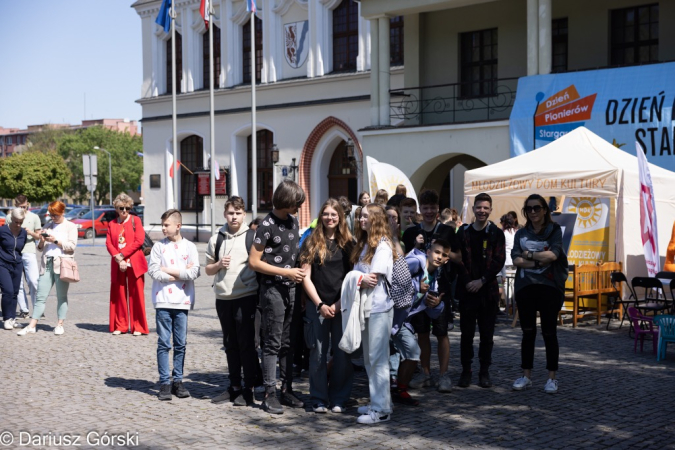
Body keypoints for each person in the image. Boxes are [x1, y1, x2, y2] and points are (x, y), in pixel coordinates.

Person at [249, 180, 307, 414]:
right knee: (272, 344)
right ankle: (269, 393)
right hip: (272, 290)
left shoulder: (293, 221)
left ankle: (287, 389)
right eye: (297, 203)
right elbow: (254, 262)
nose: (299, 207)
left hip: (291, 289)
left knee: (287, 343)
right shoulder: (266, 225)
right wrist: (286, 272)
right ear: (286, 201)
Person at [300, 198, 354, 414]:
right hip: (318, 305)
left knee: (343, 354)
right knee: (318, 353)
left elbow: (353, 278)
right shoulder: (311, 241)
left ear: (340, 217)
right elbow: (305, 277)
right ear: (320, 216)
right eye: (326, 214)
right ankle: (319, 398)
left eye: (334, 214)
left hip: (343, 305)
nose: (330, 218)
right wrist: (320, 304)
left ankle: (339, 398)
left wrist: (338, 304)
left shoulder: (349, 243)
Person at [402, 190, 459, 393]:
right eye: (425, 208)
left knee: (442, 333)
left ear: (437, 209)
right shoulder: (410, 232)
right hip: (418, 292)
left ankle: (444, 376)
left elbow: (459, 258)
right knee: (422, 333)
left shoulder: (447, 231)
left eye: (432, 208)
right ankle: (425, 374)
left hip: (440, 289)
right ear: (420, 209)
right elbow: (404, 263)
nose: (428, 211)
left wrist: (441, 251)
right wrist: (416, 246)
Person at [511, 194, 568, 394]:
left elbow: (554, 254)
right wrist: (538, 261)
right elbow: (516, 260)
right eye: (529, 209)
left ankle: (552, 377)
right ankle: (526, 375)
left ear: (545, 210)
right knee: (528, 333)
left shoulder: (554, 231)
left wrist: (528, 254)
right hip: (526, 287)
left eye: (537, 208)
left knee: (549, 332)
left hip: (549, 287)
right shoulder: (521, 233)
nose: (533, 212)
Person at [206, 196, 259, 406]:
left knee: (247, 345)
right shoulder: (216, 238)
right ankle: (234, 386)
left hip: (246, 297)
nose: (234, 216)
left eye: (238, 213)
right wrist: (219, 264)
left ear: (244, 214)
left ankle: (249, 388)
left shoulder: (252, 237)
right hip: (223, 298)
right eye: (230, 212)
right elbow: (208, 270)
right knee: (230, 344)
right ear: (225, 214)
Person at [148, 209, 200, 401]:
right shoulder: (158, 248)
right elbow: (153, 271)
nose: (163, 228)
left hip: (182, 302)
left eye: (166, 225)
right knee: (163, 343)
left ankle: (178, 380)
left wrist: (168, 271)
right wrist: (176, 274)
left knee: (181, 344)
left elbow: (194, 272)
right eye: (162, 225)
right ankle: (164, 382)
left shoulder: (190, 247)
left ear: (178, 226)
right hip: (162, 301)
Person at [392, 240, 452, 406]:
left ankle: (400, 390)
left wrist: (436, 303)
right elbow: (393, 278)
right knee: (354, 351)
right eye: (437, 252)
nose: (439, 257)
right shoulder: (415, 262)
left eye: (444, 255)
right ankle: (329, 373)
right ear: (428, 251)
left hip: (400, 322)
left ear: (447, 260)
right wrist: (416, 286)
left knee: (413, 352)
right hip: (385, 314)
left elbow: (429, 311)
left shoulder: (434, 279)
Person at [455, 193, 506, 388]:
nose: (482, 211)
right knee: (466, 335)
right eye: (479, 207)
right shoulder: (464, 232)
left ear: (490, 210)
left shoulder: (496, 233)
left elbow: (498, 261)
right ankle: (466, 371)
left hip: (488, 292)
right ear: (474, 209)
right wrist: (469, 281)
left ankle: (484, 372)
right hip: (468, 291)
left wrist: (482, 281)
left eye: (486, 208)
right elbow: (458, 259)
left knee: (487, 336)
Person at [352, 204, 395, 424]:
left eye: (366, 216)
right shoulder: (367, 243)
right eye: (360, 216)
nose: (361, 219)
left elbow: (372, 277)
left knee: (378, 359)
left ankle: (382, 410)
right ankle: (379, 401)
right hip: (370, 307)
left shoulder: (383, 245)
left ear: (376, 219)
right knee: (371, 358)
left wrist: (354, 277)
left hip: (379, 307)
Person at [18, 201, 78, 336]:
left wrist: (55, 241)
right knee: (40, 295)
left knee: (61, 296)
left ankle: (60, 324)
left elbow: (72, 247)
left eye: (55, 215)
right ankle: (32, 325)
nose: (52, 217)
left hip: (62, 264)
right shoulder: (48, 226)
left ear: (62, 212)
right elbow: (40, 249)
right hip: (47, 263)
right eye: (51, 214)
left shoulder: (70, 226)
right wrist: (42, 240)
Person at [106, 193, 149, 336]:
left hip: (134, 262)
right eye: (121, 208)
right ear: (116, 209)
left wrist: (122, 255)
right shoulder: (112, 224)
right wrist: (119, 259)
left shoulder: (135, 221)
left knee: (136, 295)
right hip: (118, 263)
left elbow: (139, 241)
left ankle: (138, 326)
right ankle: (121, 325)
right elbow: (109, 244)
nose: (124, 211)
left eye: (127, 208)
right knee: (119, 295)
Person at [8, 195, 41, 319]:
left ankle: (38, 308)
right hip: (14, 253)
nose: (23, 208)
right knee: (18, 282)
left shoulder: (34, 217)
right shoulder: (9, 217)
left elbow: (39, 236)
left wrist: (30, 232)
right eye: (20, 207)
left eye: (25, 206)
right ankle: (24, 309)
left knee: (34, 280)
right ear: (15, 205)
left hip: (29, 251)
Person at [1, 208, 27, 330]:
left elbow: (20, 248)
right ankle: (6, 318)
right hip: (3, 264)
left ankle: (12, 318)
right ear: (11, 219)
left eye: (20, 222)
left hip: (17, 264)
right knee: (8, 291)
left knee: (15, 292)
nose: (18, 224)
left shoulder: (23, 233)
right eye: (16, 221)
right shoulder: (2, 231)